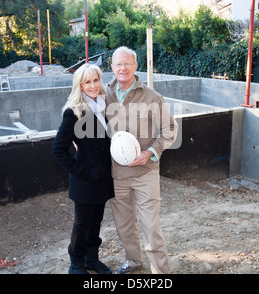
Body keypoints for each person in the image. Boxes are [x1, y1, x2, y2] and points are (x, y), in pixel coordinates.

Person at [105, 46, 179, 274]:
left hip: (145, 172)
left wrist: (149, 152)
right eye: (118, 64)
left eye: (127, 64)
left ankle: (161, 273)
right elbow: (83, 114)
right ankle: (134, 262)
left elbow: (169, 129)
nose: (123, 68)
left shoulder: (151, 97)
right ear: (112, 67)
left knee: (151, 227)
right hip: (116, 174)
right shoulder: (102, 94)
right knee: (124, 225)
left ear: (136, 67)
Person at [52, 63, 114, 274]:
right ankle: (76, 264)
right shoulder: (74, 113)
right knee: (82, 225)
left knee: (96, 222)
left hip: (104, 180)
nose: (92, 85)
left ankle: (91, 259)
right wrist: (85, 172)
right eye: (87, 82)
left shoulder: (104, 106)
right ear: (80, 85)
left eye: (95, 80)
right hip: (86, 182)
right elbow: (58, 150)